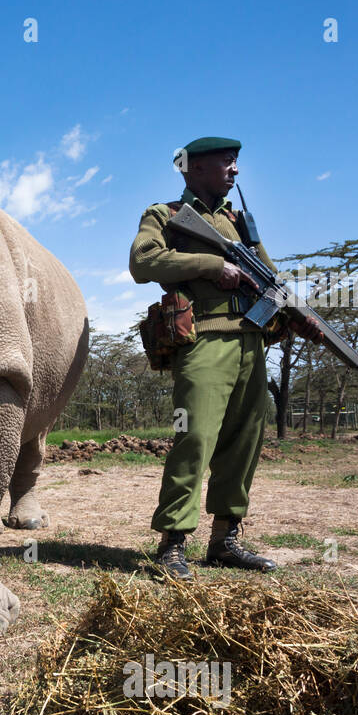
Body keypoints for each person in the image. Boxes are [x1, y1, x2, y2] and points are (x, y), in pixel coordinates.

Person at [129, 137, 319, 580]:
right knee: (194, 437)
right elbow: (143, 261)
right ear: (192, 170)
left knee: (245, 442)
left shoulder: (239, 223)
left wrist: (300, 315)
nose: (234, 171)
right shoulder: (167, 215)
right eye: (225, 163)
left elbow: (272, 280)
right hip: (204, 341)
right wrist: (212, 267)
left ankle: (225, 540)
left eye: (236, 164)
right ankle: (173, 544)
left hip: (252, 343)